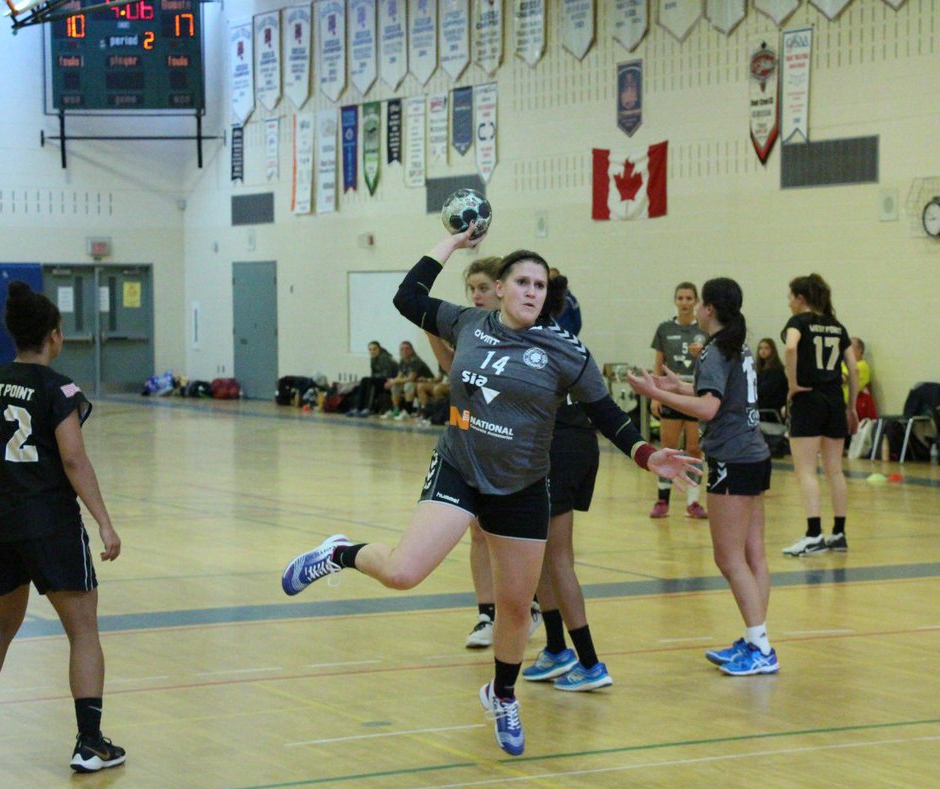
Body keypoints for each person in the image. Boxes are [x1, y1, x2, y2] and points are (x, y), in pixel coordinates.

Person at [281, 227, 700, 756]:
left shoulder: (565, 350)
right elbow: (406, 297)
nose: (531, 291)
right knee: (404, 572)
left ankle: (501, 695)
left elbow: (606, 413)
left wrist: (646, 453)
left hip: (523, 485)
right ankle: (339, 553)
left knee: (516, 610)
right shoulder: (468, 322)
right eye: (522, 281)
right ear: (499, 287)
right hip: (459, 466)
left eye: (540, 285)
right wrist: (451, 243)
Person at [0, 281, 126, 773]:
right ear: (54, 336)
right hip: (49, 524)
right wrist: (104, 523)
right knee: (83, 632)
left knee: (0, 625)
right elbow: (74, 461)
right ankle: (90, 742)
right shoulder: (60, 389)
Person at [628, 278, 778, 676]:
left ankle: (760, 646)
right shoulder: (737, 346)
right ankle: (756, 639)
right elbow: (720, 394)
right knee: (754, 555)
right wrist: (680, 385)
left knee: (729, 557)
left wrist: (655, 393)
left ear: (707, 309)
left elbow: (709, 409)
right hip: (755, 454)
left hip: (732, 457)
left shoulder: (715, 349)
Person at [424, 257, 541, 649]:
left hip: (513, 453)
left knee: (507, 536)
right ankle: (486, 614)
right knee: (477, 532)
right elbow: (453, 369)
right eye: (471, 288)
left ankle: (527, 606)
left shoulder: (527, 333)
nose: (476, 295)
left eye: (483, 288)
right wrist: (430, 329)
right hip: (468, 442)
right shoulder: (469, 327)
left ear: (502, 289)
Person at [522, 272, 612, 692]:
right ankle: (557, 648)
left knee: (558, 558)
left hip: (563, 446)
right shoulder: (559, 334)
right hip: (566, 444)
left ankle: (591, 662)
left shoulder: (540, 341)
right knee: (539, 556)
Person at [780, 274, 859, 557]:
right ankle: (839, 533)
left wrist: (792, 384)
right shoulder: (838, 327)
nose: (788, 303)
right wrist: (851, 406)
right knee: (834, 469)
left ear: (800, 298)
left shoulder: (798, 323)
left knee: (806, 470)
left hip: (808, 398)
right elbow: (854, 368)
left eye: (790, 297)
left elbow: (790, 348)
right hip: (835, 400)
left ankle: (814, 534)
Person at [648, 283, 707, 519]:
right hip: (671, 396)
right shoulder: (664, 328)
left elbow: (714, 362)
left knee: (695, 450)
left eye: (689, 298)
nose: (684, 302)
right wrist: (655, 395)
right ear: (675, 301)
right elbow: (658, 364)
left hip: (694, 395)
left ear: (696, 301)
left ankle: (693, 502)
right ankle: (662, 500)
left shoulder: (704, 329)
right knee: (669, 450)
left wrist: (702, 352)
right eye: (680, 298)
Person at [385, 341, 434, 420]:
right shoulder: (402, 361)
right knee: (395, 386)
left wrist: (393, 381)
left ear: (412, 350)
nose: (404, 351)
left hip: (426, 382)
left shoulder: (415, 361)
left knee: (409, 385)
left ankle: (408, 412)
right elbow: (399, 377)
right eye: (402, 349)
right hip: (415, 383)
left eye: (407, 349)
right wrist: (392, 382)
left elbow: (411, 378)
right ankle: (396, 410)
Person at [347, 342, 398, 417]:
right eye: (370, 350)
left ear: (379, 349)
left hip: (390, 381)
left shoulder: (385, 357)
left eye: (374, 349)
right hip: (380, 380)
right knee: (364, 380)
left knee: (370, 381)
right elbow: (373, 374)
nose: (372, 351)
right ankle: (359, 408)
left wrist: (374, 377)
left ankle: (368, 409)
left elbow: (387, 375)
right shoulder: (373, 358)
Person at [843, 337, 876, 420]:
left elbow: (843, 378)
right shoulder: (843, 364)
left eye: (849, 347)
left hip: (851, 410)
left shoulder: (861, 366)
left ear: (860, 350)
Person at [756, 337, 787, 419]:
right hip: (762, 407)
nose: (763, 351)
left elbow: (766, 390)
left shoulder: (776, 370)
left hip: (772, 409)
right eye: (760, 348)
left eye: (766, 348)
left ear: (772, 350)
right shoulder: (759, 369)